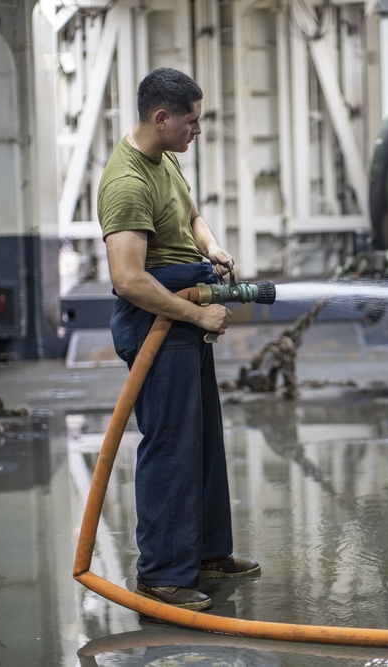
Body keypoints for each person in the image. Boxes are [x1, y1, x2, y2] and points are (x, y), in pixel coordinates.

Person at [97, 67, 259, 612]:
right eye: (191, 122)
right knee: (170, 448)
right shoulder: (127, 182)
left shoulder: (166, 160)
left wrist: (211, 246)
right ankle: (163, 574)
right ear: (162, 119)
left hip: (183, 314)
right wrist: (195, 318)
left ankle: (208, 553)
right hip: (156, 324)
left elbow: (192, 218)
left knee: (203, 442)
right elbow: (129, 279)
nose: (197, 130)